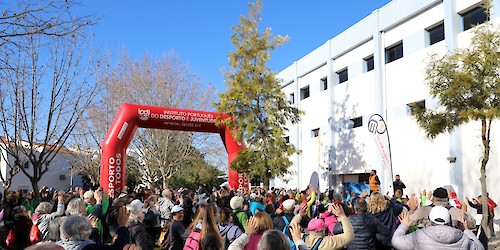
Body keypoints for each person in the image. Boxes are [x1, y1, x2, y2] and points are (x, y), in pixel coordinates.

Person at [391, 206, 484, 249]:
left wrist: (404, 225)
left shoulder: (419, 236)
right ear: (449, 221)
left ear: (431, 220)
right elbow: (480, 248)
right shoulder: (462, 238)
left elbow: (396, 241)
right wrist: (466, 230)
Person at [55, 206, 131, 250]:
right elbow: (119, 248)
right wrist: (122, 225)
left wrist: (94, 229)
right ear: (85, 231)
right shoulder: (88, 248)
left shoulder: (57, 246)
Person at [409, 187, 476, 230]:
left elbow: (409, 221)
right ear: (447, 198)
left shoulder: (424, 210)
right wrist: (464, 212)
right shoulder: (457, 212)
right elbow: (472, 224)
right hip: (452, 244)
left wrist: (412, 210)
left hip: (429, 243)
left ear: (433, 198)